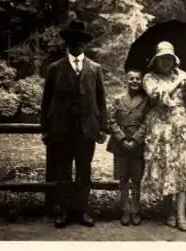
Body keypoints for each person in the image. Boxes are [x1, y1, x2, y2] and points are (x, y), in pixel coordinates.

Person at [40, 19, 108, 228]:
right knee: (62, 171)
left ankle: (82, 210)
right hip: (62, 131)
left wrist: (102, 127)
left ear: (85, 44)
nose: (76, 45)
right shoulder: (55, 69)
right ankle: (63, 211)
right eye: (72, 41)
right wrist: (45, 129)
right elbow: (46, 101)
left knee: (84, 171)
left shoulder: (95, 69)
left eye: (80, 41)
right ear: (66, 43)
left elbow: (101, 100)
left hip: (86, 130)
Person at [141, 41, 186, 232]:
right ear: (156, 60)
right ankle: (168, 211)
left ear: (174, 60)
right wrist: (177, 83)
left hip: (181, 128)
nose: (166, 62)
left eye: (169, 58)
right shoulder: (149, 78)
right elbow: (156, 97)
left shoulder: (183, 75)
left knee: (183, 168)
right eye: (162, 59)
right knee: (165, 169)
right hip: (161, 130)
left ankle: (181, 214)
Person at [106, 69, 149, 226]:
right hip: (120, 146)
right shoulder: (118, 99)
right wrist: (122, 139)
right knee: (123, 180)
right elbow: (111, 120)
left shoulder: (146, 100)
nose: (134, 81)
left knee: (136, 181)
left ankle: (136, 211)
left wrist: (136, 139)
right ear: (126, 80)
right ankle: (125, 211)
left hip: (138, 146)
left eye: (138, 79)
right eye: (131, 79)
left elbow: (147, 122)